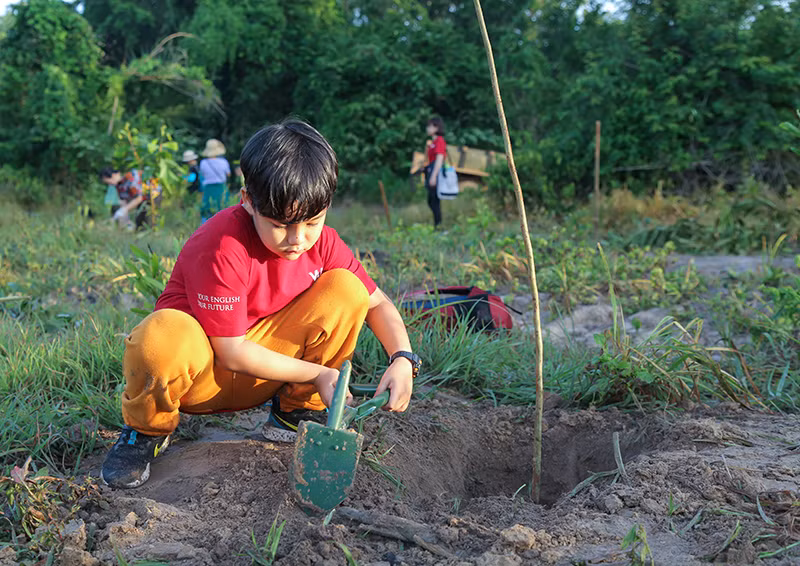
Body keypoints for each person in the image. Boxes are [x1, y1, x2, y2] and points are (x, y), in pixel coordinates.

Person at [101, 119, 420, 489]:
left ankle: (296, 412)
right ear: (248, 200)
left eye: (313, 221)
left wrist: (402, 358)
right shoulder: (222, 244)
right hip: (202, 378)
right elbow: (231, 352)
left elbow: (377, 303)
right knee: (159, 335)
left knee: (348, 289)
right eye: (281, 225)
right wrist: (318, 374)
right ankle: (147, 430)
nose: (298, 239)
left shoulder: (323, 242)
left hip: (269, 372)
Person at [198, 138, 231, 221]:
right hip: (221, 187)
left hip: (208, 189)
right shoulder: (224, 162)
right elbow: (228, 174)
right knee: (222, 209)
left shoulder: (203, 163)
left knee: (207, 210)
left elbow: (203, 175)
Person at [424, 117, 447, 228]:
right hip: (431, 170)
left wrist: (434, 176)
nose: (427, 128)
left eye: (430, 126)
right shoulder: (433, 142)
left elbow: (439, 159)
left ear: (436, 128)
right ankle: (437, 225)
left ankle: (439, 226)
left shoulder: (439, 141)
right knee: (432, 200)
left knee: (434, 200)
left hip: (435, 172)